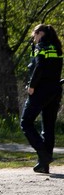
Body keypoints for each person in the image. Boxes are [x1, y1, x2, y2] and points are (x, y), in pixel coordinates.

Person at [20, 24, 63, 174]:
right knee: (48, 126)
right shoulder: (57, 48)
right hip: (55, 90)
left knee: (26, 122)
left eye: (34, 35)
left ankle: (43, 154)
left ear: (40, 33)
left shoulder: (42, 47)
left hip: (40, 90)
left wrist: (32, 86)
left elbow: (39, 66)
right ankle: (44, 164)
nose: (34, 38)